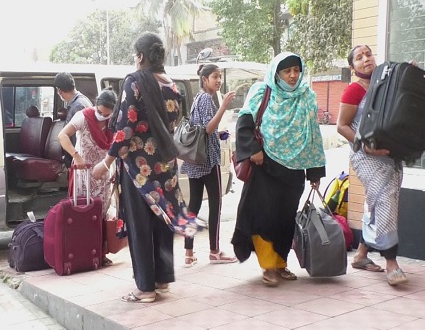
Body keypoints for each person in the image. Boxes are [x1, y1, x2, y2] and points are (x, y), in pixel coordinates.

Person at [93, 32, 200, 303]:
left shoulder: (134, 82)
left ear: (140, 56)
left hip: (138, 169)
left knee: (140, 227)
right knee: (162, 222)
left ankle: (145, 288)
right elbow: (173, 123)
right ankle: (162, 280)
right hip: (164, 166)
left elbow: (125, 126)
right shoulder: (172, 85)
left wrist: (106, 161)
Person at [231, 52, 326, 287]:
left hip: (294, 170)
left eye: (296, 70)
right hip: (265, 164)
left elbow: (314, 134)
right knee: (264, 217)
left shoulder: (306, 97)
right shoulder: (261, 92)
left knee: (285, 219)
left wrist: (314, 172)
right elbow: (244, 123)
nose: (293, 75)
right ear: (276, 73)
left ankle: (281, 263)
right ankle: (268, 265)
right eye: (287, 71)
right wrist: (253, 150)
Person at [336, 44, 407, 285]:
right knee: (385, 197)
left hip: (390, 154)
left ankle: (361, 254)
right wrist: (365, 145)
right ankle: (391, 261)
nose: (366, 59)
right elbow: (341, 126)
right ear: (352, 66)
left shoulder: (383, 85)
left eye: (368, 54)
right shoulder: (354, 90)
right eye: (359, 57)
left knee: (379, 200)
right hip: (365, 155)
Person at [180, 63, 238, 267]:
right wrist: (223, 107)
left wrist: (223, 134)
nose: (219, 80)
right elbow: (207, 128)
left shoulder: (197, 98)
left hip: (195, 161)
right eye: (215, 77)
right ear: (204, 80)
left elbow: (206, 129)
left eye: (220, 77)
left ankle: (188, 253)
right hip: (208, 161)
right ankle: (214, 251)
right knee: (216, 205)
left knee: (193, 208)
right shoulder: (206, 98)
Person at [58, 88, 117, 266]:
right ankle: (83, 252)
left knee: (103, 215)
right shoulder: (83, 117)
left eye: (106, 114)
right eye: (99, 112)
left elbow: (118, 147)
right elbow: (62, 136)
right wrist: (76, 156)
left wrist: (114, 170)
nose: (102, 116)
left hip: (105, 175)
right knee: (84, 214)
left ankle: (100, 253)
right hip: (84, 176)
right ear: (96, 105)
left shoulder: (114, 122)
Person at [54, 72, 92, 167]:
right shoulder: (79, 102)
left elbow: (77, 137)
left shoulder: (78, 106)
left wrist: (74, 157)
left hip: (80, 159)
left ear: (59, 91)